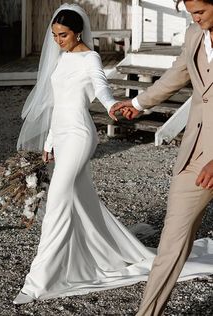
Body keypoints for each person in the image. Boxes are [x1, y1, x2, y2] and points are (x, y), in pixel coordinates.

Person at [13, 2, 213, 308]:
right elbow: (57, 103)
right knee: (78, 201)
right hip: (62, 136)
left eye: (63, 34)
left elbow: (102, 88)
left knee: (56, 201)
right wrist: (50, 141)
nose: (58, 41)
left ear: (78, 32)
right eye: (54, 35)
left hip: (80, 135)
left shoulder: (90, 58)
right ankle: (102, 252)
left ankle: (37, 280)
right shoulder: (61, 60)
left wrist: (115, 107)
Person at [110, 0, 213, 315]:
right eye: (190, 12)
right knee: (171, 243)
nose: (194, 18)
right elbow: (177, 75)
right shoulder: (194, 34)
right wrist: (139, 104)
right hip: (196, 153)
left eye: (201, 12)